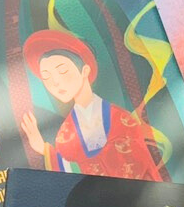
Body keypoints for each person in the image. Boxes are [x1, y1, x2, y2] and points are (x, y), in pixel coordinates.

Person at [19, 29, 165, 180]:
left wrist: (46, 151)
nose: (55, 82)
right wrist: (45, 151)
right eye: (46, 77)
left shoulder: (121, 120)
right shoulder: (64, 134)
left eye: (62, 70)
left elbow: (135, 169)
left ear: (85, 70)